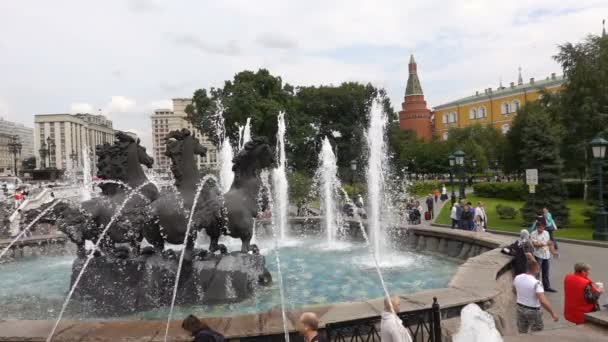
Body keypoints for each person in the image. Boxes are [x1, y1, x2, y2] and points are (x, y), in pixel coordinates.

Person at [514, 259, 559, 334]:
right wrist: (552, 313)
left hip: (519, 308)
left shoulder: (517, 277)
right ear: (537, 269)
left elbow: (515, 290)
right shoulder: (537, 283)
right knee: (537, 332)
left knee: (522, 332)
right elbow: (543, 301)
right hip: (533, 310)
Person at [530, 220, 557, 292]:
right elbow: (535, 245)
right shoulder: (533, 234)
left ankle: (546, 286)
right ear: (537, 227)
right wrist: (545, 243)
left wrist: (553, 252)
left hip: (546, 255)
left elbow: (550, 244)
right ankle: (536, 287)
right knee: (537, 271)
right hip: (538, 255)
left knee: (546, 272)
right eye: (539, 228)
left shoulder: (546, 233)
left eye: (541, 228)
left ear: (544, 227)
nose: (540, 229)